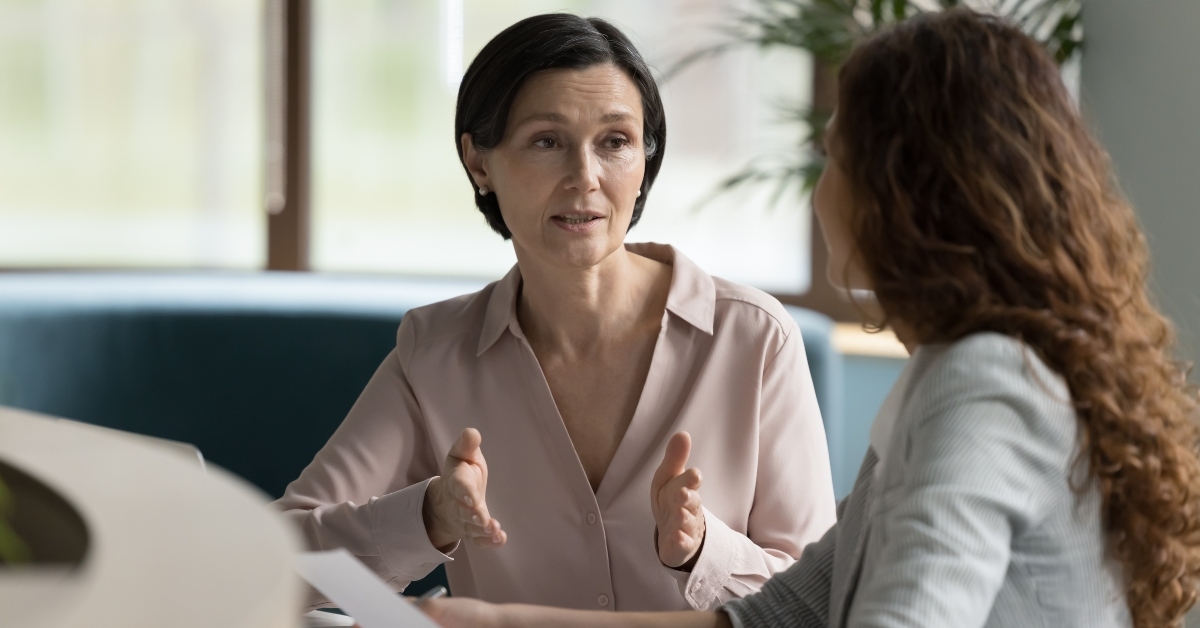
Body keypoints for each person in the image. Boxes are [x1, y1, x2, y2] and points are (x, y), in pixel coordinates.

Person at [420, 8, 1200, 628]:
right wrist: (489, 622)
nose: (821, 192)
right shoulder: (952, 368)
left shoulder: (982, 382)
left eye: (835, 160)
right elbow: (781, 616)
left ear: (904, 194)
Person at [272, 13, 836, 613]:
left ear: (645, 161)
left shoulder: (754, 339)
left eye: (615, 142)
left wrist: (703, 552)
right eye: (547, 141)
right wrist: (430, 517)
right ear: (480, 163)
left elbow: (821, 602)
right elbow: (284, 564)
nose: (585, 177)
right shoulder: (435, 352)